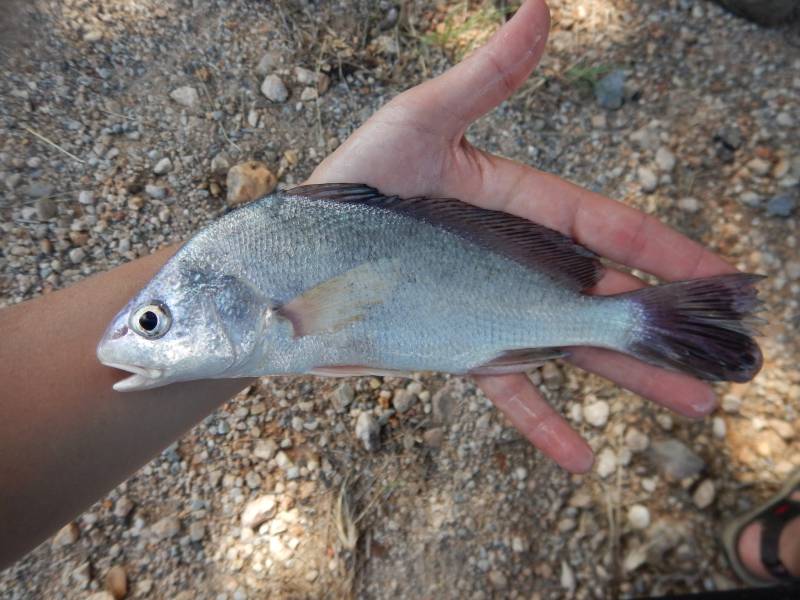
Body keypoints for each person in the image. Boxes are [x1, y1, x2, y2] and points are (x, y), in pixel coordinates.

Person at [0, 0, 796, 587]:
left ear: (229, 299)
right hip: (423, 309)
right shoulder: (259, 306)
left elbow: (327, 319)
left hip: (448, 304)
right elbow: (315, 329)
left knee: (606, 326)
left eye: (151, 321)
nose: (135, 340)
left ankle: (631, 324)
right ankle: (635, 324)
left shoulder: (265, 301)